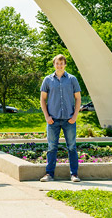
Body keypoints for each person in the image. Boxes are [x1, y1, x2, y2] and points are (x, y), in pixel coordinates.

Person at [39, 54, 82, 182]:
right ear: (54, 64)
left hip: (69, 119)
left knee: (72, 147)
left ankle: (74, 174)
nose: (59, 65)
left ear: (65, 65)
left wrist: (75, 115)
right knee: (52, 147)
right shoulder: (47, 80)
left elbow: (78, 98)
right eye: (57, 63)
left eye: (62, 63)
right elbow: (42, 99)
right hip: (53, 119)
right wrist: (46, 116)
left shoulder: (72, 79)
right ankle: (49, 174)